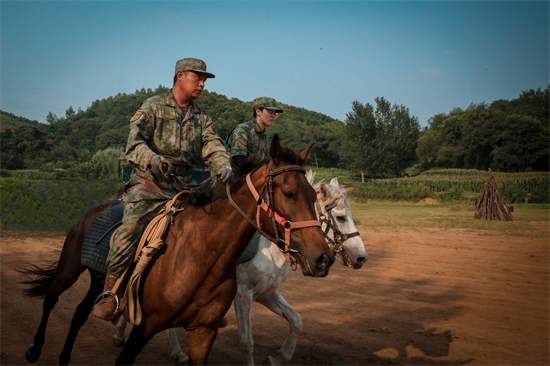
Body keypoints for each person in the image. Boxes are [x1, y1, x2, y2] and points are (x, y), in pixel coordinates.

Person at [92, 58, 233, 321]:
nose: (202, 83)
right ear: (180, 76)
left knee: (212, 226)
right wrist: (153, 160)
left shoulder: (202, 118)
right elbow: (134, 144)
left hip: (184, 186)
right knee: (131, 227)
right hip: (149, 183)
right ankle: (111, 292)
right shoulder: (153, 106)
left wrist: (223, 164)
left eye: (205, 80)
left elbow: (213, 144)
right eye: (197, 77)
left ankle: (203, 297)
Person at [226, 97, 283, 167]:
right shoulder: (243, 130)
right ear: (258, 111)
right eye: (270, 111)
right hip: (238, 175)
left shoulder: (262, 135)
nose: (273, 116)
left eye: (275, 113)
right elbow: (238, 160)